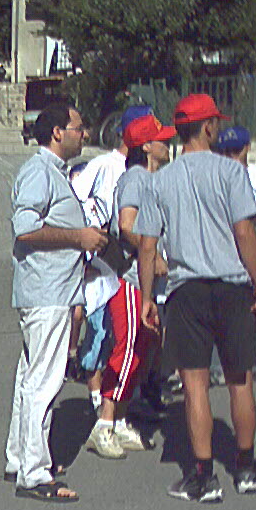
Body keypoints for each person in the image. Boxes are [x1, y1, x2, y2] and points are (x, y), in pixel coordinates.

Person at [135, 94, 256, 503]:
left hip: (186, 289)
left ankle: (202, 475)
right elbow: (245, 232)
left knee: (195, 386)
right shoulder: (231, 173)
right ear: (209, 127)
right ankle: (246, 467)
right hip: (231, 285)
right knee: (239, 379)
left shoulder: (161, 180)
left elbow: (147, 246)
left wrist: (146, 298)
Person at [5, 102, 107, 502]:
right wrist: (78, 237)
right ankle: (34, 472)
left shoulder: (53, 173)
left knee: (31, 378)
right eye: (78, 127)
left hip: (52, 290)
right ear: (56, 133)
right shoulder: (39, 171)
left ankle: (22, 457)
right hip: (45, 292)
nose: (83, 134)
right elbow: (26, 229)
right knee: (44, 383)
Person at [86, 113, 175, 460]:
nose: (168, 144)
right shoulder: (136, 177)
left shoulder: (151, 178)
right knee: (126, 349)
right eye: (162, 140)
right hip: (127, 277)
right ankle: (104, 425)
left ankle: (120, 420)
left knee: (143, 347)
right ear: (146, 146)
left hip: (144, 277)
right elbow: (126, 225)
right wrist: (151, 254)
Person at [68, 105, 153, 408]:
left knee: (130, 332)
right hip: (106, 256)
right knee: (101, 325)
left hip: (133, 262)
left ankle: (127, 393)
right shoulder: (105, 164)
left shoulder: (147, 171)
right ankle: (97, 395)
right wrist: (91, 228)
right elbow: (74, 196)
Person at [212, 126, 256, 385]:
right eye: (226, 151)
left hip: (246, 243)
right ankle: (217, 365)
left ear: (247, 148)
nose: (231, 156)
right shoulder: (218, 175)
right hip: (222, 244)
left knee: (253, 303)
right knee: (219, 306)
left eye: (236, 151)